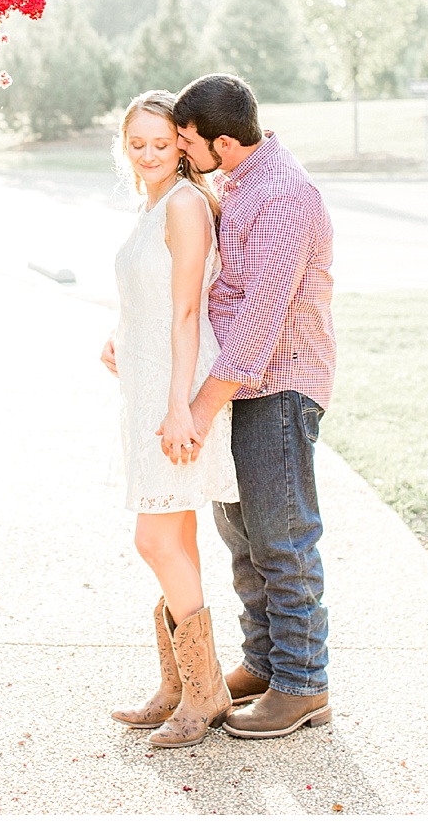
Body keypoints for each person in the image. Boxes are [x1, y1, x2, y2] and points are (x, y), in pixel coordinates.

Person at [169, 72, 335, 740]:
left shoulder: (284, 195)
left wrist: (201, 407)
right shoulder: (241, 180)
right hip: (244, 387)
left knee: (282, 537)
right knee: (242, 535)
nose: (184, 153)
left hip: (280, 384)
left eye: (188, 142)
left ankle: (303, 684)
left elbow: (260, 320)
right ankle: (265, 664)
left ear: (224, 142)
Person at [98, 89, 238, 748]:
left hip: (173, 392)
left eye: (161, 144)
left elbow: (187, 311)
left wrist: (183, 406)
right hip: (148, 380)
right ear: (123, 145)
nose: (149, 154)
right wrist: (117, 336)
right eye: (138, 144)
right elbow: (149, 296)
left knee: (153, 540)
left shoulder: (184, 204)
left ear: (181, 147)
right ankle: (179, 686)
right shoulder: (150, 204)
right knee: (176, 538)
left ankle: (206, 693)